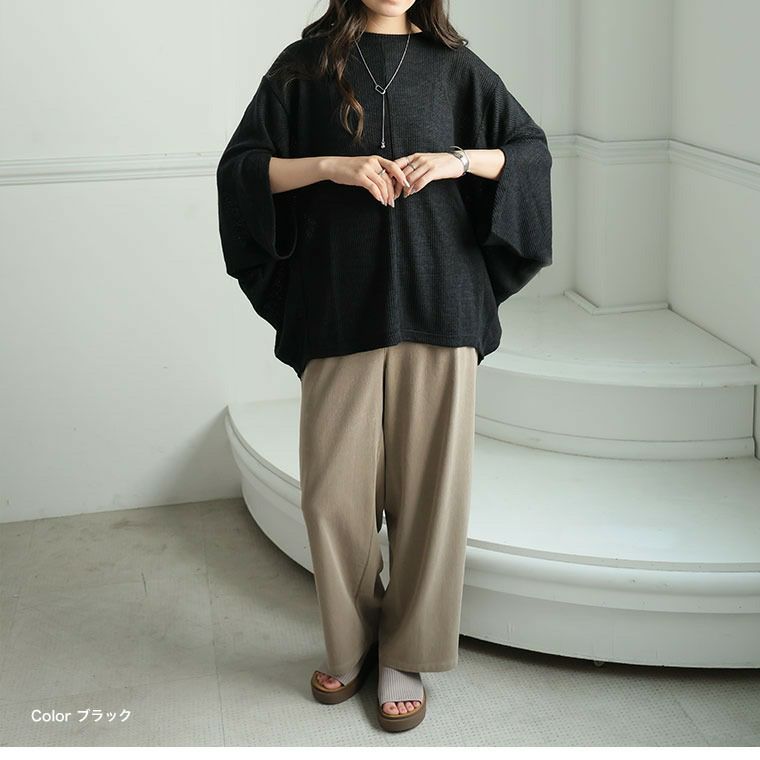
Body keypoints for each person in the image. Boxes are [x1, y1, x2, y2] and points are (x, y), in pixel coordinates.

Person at [215, 0, 552, 732]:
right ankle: (352, 640)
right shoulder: (305, 67)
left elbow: (529, 151)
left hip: (443, 299)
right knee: (333, 495)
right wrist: (332, 166)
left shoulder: (456, 68)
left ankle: (408, 650)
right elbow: (241, 170)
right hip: (340, 301)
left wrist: (457, 160)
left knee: (432, 494)